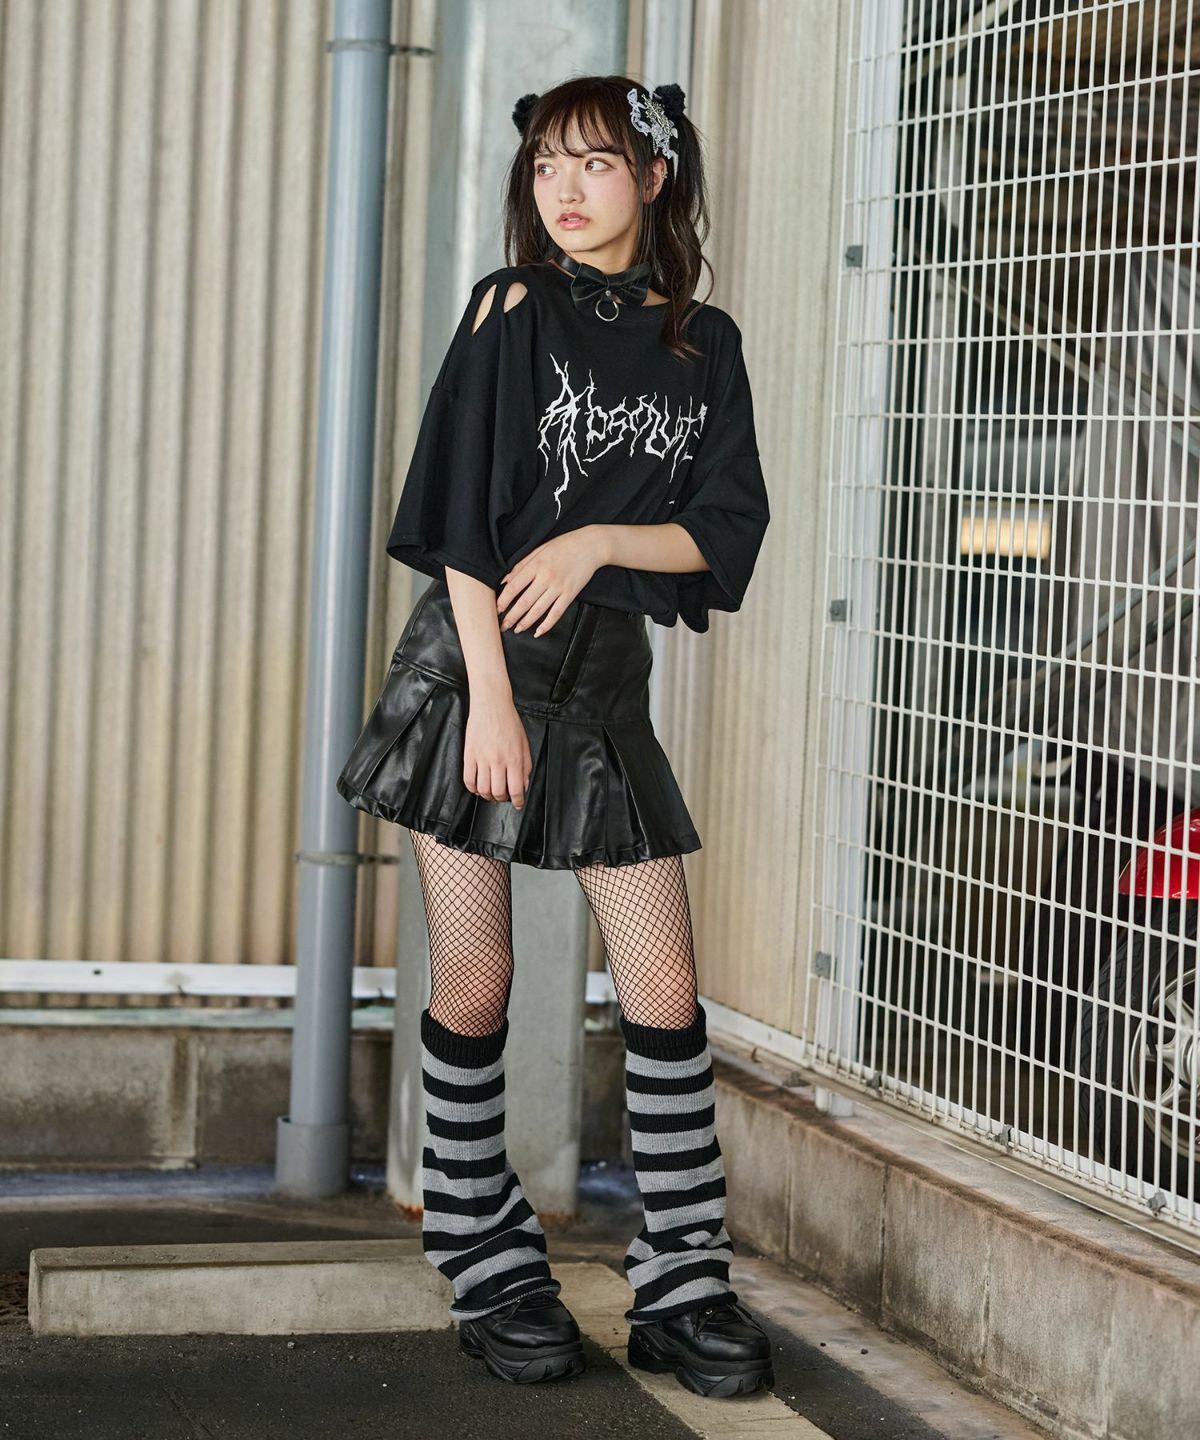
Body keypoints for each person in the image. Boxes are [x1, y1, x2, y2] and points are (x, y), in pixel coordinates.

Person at [337, 76, 773, 1399]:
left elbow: (723, 530)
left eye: (593, 162)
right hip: (472, 679)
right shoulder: (511, 308)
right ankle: (484, 1257)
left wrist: (591, 542)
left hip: (605, 701)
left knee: (663, 991)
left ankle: (684, 1285)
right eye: (544, 166)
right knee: (477, 980)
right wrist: (486, 700)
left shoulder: (704, 345)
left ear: (655, 175)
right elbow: (458, 515)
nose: (565, 189)